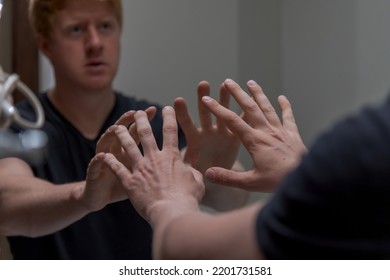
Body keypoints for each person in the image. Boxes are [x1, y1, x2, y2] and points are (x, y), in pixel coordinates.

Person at [0, 0, 247, 259]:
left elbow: (233, 200)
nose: (95, 43)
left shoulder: (152, 122)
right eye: (76, 30)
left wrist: (211, 173)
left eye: (106, 26)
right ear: (46, 46)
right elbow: (7, 202)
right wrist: (84, 196)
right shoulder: (19, 125)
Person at [99, 78, 390, 259]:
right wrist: (302, 176)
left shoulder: (369, 148)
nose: (95, 42)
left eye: (105, 26)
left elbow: (186, 253)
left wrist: (167, 201)